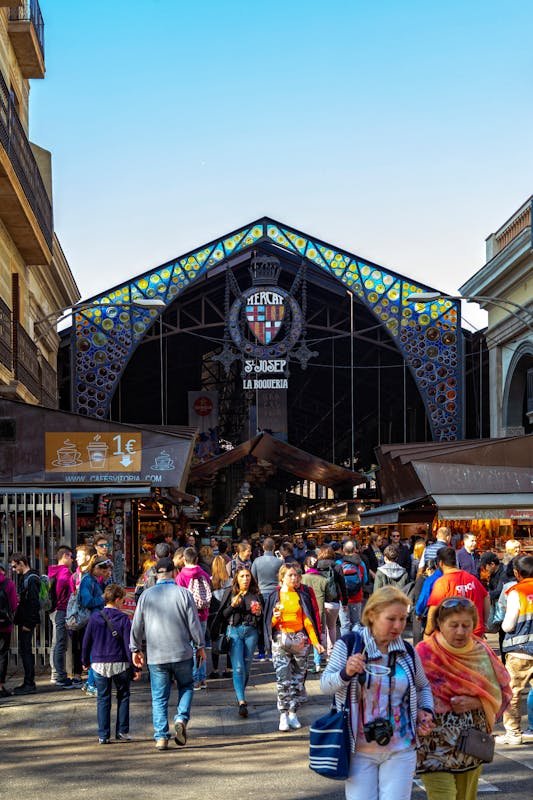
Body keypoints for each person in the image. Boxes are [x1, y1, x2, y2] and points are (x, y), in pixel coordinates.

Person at [320, 586, 435, 800]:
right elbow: (325, 685)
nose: (399, 626)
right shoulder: (349, 645)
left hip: (401, 748)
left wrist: (425, 710)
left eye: (403, 619)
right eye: (391, 619)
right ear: (372, 615)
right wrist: (346, 672)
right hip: (359, 751)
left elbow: (423, 686)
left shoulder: (407, 651)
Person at [416, 598, 511, 800]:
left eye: (466, 625)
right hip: (433, 745)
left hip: (470, 744)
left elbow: (500, 691)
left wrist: (477, 701)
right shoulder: (424, 653)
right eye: (454, 625)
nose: (460, 631)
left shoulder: (482, 651)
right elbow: (406, 693)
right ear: (440, 624)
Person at [130, 557, 205, 751]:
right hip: (182, 652)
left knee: (159, 696)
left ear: (156, 574)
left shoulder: (146, 596)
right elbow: (194, 624)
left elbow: (137, 625)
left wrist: (135, 648)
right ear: (174, 572)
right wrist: (200, 645)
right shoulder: (184, 594)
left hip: (157, 655)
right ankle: (181, 717)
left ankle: (161, 737)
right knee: (187, 686)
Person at [264, 564, 324, 732]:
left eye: (297, 575)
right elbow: (267, 624)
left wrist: (316, 641)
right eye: (290, 575)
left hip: (299, 640)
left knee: (298, 680)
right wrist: (275, 618)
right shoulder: (273, 596)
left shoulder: (302, 595)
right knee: (283, 679)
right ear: (282, 577)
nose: (295, 578)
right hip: (280, 640)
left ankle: (293, 712)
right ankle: (283, 714)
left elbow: (307, 620)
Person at [82, 584, 134, 744]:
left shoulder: (95, 617)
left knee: (103, 698)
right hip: (120, 663)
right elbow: (128, 645)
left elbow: (86, 642)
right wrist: (135, 666)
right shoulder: (124, 619)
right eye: (122, 600)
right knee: (123, 696)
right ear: (117, 600)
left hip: (99, 663)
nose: (123, 603)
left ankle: (103, 735)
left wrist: (85, 661)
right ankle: (122, 731)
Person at [209, 568, 263, 717]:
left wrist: (258, 613)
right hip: (234, 632)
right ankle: (242, 701)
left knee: (246, 665)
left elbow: (260, 619)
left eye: (247, 576)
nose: (245, 579)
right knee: (238, 667)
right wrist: (232, 606)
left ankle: (241, 691)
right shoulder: (230, 593)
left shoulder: (256, 595)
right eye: (242, 576)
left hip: (251, 633)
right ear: (236, 579)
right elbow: (223, 616)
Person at [494, 554, 533, 745]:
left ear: (517, 573)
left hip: (520, 650)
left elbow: (508, 625)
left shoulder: (516, 592)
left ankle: (513, 733)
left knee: (514, 693)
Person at [425, 547, 489, 639]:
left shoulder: (442, 583)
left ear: (440, 563)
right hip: (476, 633)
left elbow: (433, 610)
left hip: (454, 636)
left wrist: (427, 632)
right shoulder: (472, 579)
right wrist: (484, 623)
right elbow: (486, 597)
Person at [175, 547, 212, 690]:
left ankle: (194, 678)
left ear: (184, 559)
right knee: (200, 645)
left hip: (187, 616)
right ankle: (202, 679)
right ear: (196, 559)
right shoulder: (203, 574)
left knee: (190, 646)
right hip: (203, 614)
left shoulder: (180, 576)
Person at [10, 553, 41, 695]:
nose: (14, 569)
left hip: (27, 622)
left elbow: (33, 603)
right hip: (25, 620)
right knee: (25, 651)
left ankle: (29, 683)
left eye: (15, 566)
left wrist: (28, 623)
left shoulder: (31, 579)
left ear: (22, 563)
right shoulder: (28, 577)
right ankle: (28, 682)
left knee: (26, 651)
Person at [79, 555, 109, 696]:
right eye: (103, 571)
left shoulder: (96, 580)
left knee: (94, 651)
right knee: (94, 653)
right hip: (91, 620)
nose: (104, 574)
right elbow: (87, 601)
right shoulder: (87, 580)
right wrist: (101, 598)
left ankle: (89, 682)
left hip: (97, 619)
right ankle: (92, 684)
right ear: (96, 568)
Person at [48, 546, 76, 688]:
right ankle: (60, 676)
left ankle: (56, 674)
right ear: (65, 556)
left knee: (56, 643)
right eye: (71, 557)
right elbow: (63, 589)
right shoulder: (64, 571)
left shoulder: (53, 570)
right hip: (61, 609)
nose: (72, 560)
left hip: (55, 610)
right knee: (60, 643)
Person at [316, 545, 348, 656]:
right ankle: (332, 652)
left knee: (321, 627)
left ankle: (322, 652)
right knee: (332, 627)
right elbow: (343, 586)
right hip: (333, 601)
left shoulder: (316, 566)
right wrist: (345, 603)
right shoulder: (337, 566)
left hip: (319, 601)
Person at [207, 555, 232, 678]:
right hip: (227, 614)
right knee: (228, 639)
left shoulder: (210, 581)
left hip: (213, 615)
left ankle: (215, 669)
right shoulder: (230, 581)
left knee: (214, 641)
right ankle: (229, 668)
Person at [301, 554, 327, 673]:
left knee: (305, 637)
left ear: (306, 566)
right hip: (319, 611)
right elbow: (331, 595)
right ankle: (317, 663)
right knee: (317, 635)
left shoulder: (301, 578)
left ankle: (304, 663)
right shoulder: (323, 579)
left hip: (305, 611)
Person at [339, 541, 367, 635]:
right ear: (355, 550)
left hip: (343, 598)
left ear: (343, 550)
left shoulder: (339, 563)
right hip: (357, 596)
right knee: (356, 623)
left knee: (345, 624)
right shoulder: (361, 564)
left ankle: (346, 646)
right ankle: (356, 644)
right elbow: (365, 580)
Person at [0, 563, 18, 697]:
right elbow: (13, 605)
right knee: (1, 655)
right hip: (4, 625)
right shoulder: (8, 583)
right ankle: (0, 686)